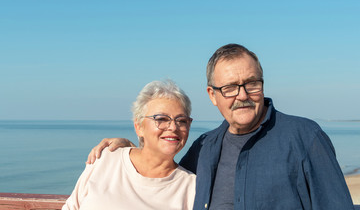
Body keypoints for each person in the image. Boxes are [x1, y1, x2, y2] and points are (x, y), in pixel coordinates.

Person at [87, 44, 354, 209]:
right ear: (212, 95)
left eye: (251, 83)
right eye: (229, 88)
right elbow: (164, 172)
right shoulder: (205, 146)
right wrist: (130, 146)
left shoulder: (305, 138)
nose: (242, 95)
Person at [63, 80, 196, 210]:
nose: (173, 127)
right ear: (139, 127)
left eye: (181, 120)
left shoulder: (191, 188)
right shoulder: (105, 160)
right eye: (161, 119)